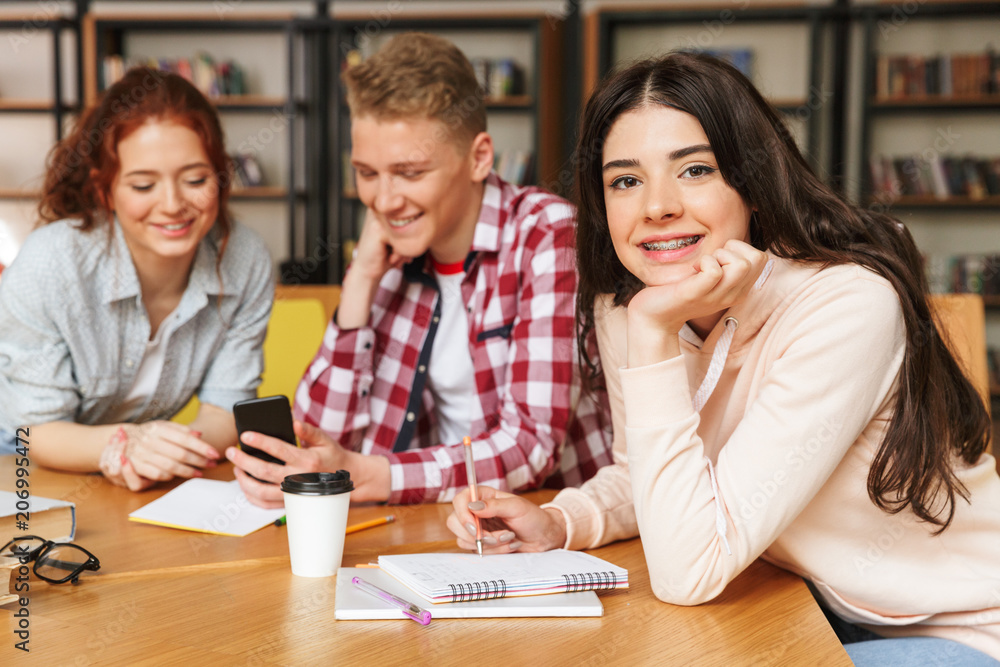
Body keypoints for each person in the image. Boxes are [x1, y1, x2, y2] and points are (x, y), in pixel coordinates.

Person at [446, 52, 1000, 664]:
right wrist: (561, 521)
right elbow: (651, 478)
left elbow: (689, 572)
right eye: (625, 180)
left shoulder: (846, 306)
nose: (656, 206)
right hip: (818, 605)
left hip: (961, 627)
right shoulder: (631, 306)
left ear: (754, 184)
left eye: (695, 170)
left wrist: (653, 333)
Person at [227, 32, 612, 507]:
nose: (385, 201)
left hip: (550, 527)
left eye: (410, 173)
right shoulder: (389, 250)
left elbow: (530, 446)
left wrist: (370, 475)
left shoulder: (548, 236)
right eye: (367, 173)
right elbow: (319, 439)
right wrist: (361, 282)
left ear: (479, 157)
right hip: (435, 522)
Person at [0, 67, 274, 491]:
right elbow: (37, 432)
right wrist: (133, 444)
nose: (172, 205)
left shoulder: (245, 259)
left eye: (196, 180)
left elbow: (225, 412)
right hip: (16, 455)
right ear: (105, 190)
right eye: (144, 185)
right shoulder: (49, 263)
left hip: (126, 465)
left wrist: (164, 450)